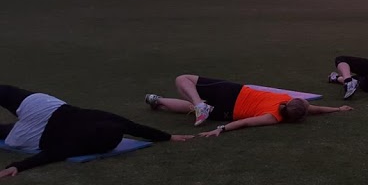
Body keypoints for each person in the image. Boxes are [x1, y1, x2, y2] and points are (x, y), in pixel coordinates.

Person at [0, 84, 191, 179]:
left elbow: (137, 128)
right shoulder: (80, 144)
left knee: (1, 91)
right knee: (7, 132)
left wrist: (169, 136)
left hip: (50, 109)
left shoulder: (110, 119)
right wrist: (16, 166)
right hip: (36, 136)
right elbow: (50, 155)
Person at [144, 74, 351, 135]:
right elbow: (246, 122)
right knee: (190, 108)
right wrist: (337, 109)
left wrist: (220, 131)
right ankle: (157, 101)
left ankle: (199, 105)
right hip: (227, 112)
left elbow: (245, 125)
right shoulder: (277, 116)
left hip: (233, 92)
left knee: (182, 80)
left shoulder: (282, 102)